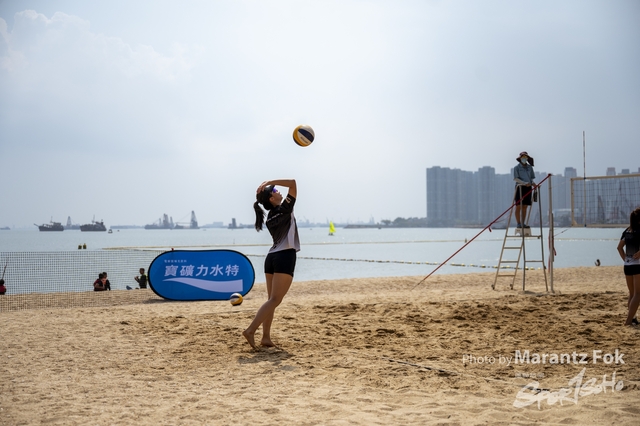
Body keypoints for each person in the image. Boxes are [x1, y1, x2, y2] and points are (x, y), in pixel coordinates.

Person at [243, 179, 300, 349]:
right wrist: (270, 181)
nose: (278, 191)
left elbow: (291, 186)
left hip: (271, 257)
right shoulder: (284, 209)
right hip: (284, 256)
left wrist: (268, 186)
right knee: (275, 300)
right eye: (274, 190)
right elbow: (293, 183)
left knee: (271, 301)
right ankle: (250, 330)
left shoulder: (270, 217)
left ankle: (266, 338)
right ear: (271, 198)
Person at [617, 207, 640, 326]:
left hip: (628, 265)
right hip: (637, 265)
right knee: (637, 294)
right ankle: (628, 320)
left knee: (632, 293)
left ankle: (633, 318)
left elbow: (619, 248)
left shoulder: (627, 231)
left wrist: (626, 259)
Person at [513, 151, 536, 228]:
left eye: (525, 157)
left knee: (525, 206)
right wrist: (524, 183)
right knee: (518, 205)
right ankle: (518, 223)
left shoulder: (530, 168)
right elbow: (516, 178)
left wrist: (533, 183)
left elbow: (531, 178)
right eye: (523, 157)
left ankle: (523, 223)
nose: (524, 159)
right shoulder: (516, 168)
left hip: (528, 187)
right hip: (520, 187)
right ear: (520, 158)